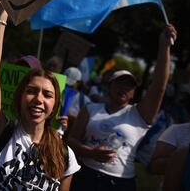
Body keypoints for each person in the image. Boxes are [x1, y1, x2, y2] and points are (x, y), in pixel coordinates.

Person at [0, 0, 80, 190]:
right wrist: (2, 15)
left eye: (47, 94)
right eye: (32, 91)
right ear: (19, 96)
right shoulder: (2, 132)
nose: (39, 99)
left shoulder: (65, 155)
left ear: (55, 104)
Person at [68, 24, 177, 191]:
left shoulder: (140, 114)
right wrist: (91, 153)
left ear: (134, 93)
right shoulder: (90, 109)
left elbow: (158, 87)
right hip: (86, 176)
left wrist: (164, 47)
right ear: (109, 86)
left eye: (129, 86)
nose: (124, 88)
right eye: (119, 83)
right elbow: (72, 140)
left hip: (120, 183)